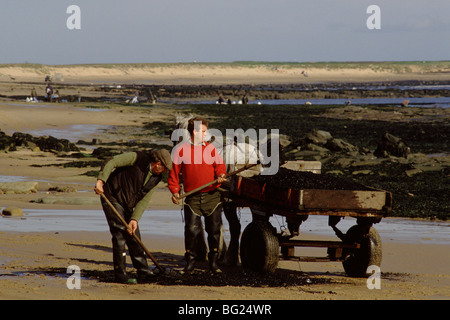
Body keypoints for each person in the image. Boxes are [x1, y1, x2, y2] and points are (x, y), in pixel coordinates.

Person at [94, 149, 172, 283]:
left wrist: (135, 219)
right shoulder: (137, 158)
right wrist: (101, 181)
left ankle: (143, 270)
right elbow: (111, 161)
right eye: (164, 168)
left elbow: (145, 199)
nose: (165, 172)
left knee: (134, 234)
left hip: (128, 204)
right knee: (119, 232)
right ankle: (120, 273)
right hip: (112, 195)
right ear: (158, 163)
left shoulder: (156, 178)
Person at [168, 117, 227, 274]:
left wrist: (221, 173)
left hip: (212, 197)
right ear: (194, 132)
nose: (206, 134)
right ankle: (190, 263)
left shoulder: (211, 149)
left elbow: (220, 166)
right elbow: (173, 174)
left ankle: (213, 264)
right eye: (203, 131)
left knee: (214, 231)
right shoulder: (181, 150)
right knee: (191, 231)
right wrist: (174, 191)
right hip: (192, 198)